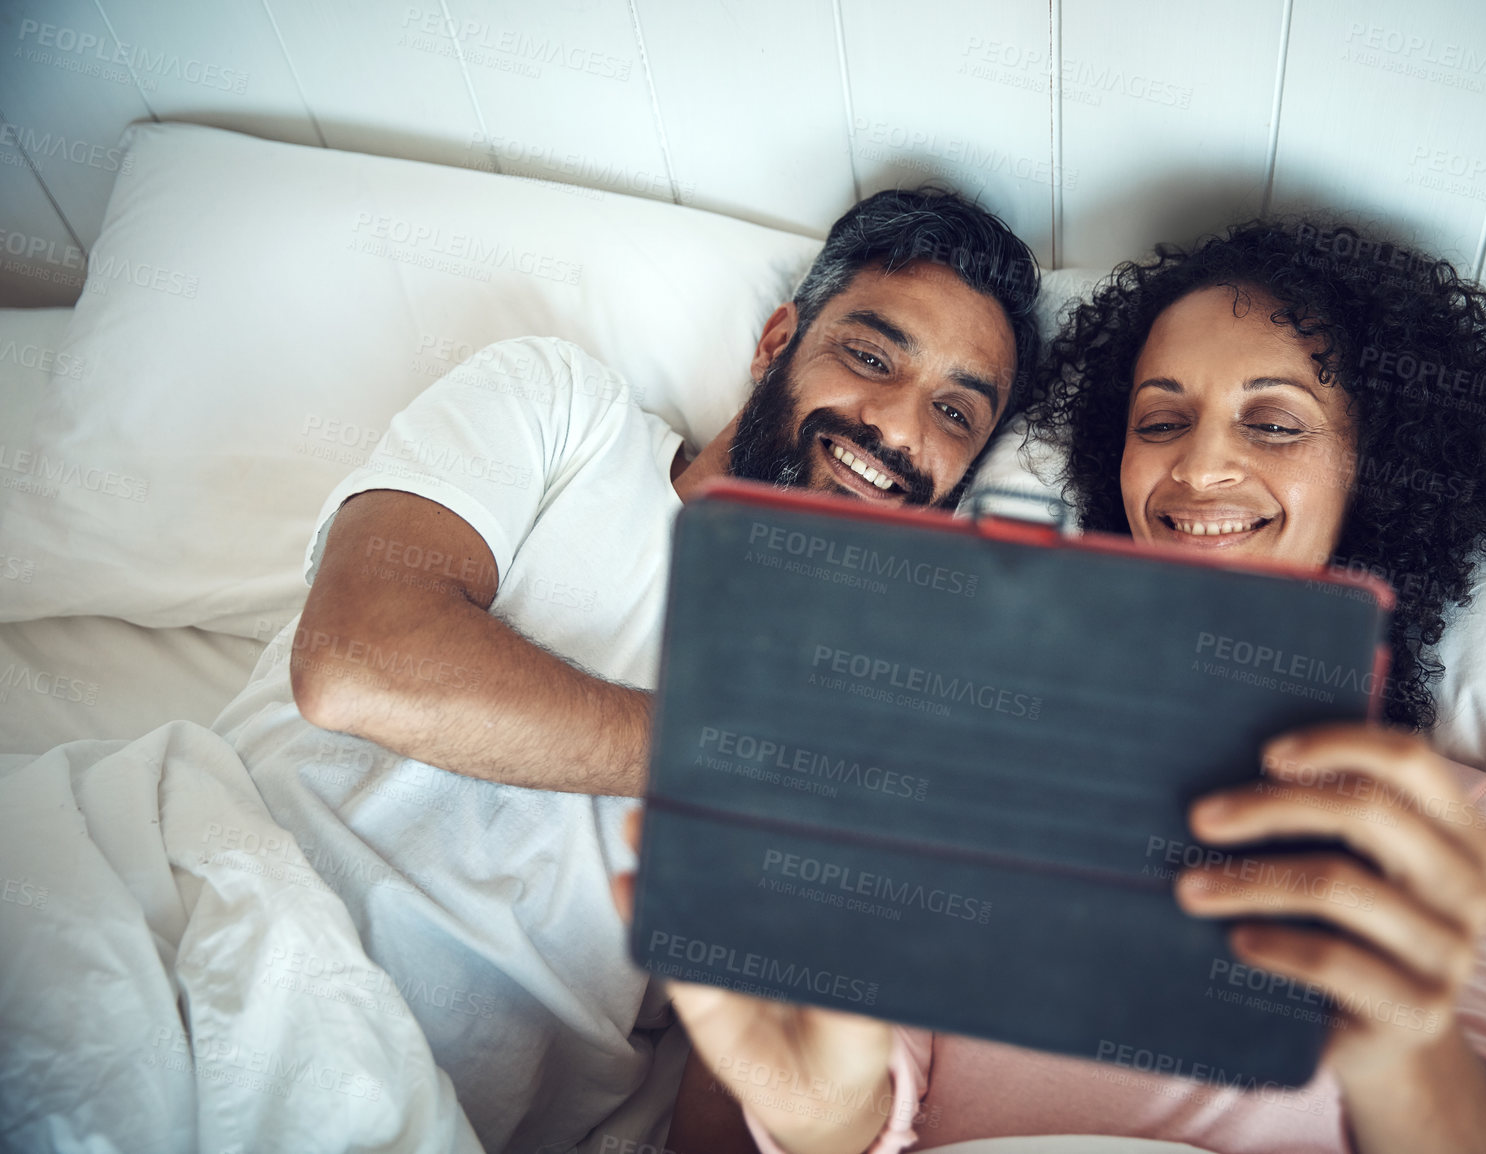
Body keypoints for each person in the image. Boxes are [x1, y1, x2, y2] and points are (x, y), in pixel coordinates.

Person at [616, 220, 1486, 1154]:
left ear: (1376, 475)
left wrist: (1404, 1050)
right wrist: (812, 1104)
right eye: (1161, 420)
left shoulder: (1475, 834)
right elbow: (857, 1104)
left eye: (1274, 422)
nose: (1200, 466)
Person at [210, 186, 1042, 1153]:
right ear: (777, 341)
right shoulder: (563, 409)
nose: (899, 428)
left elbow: (742, 1073)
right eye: (868, 357)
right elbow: (356, 663)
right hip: (197, 901)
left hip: (421, 1102)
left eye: (953, 411)